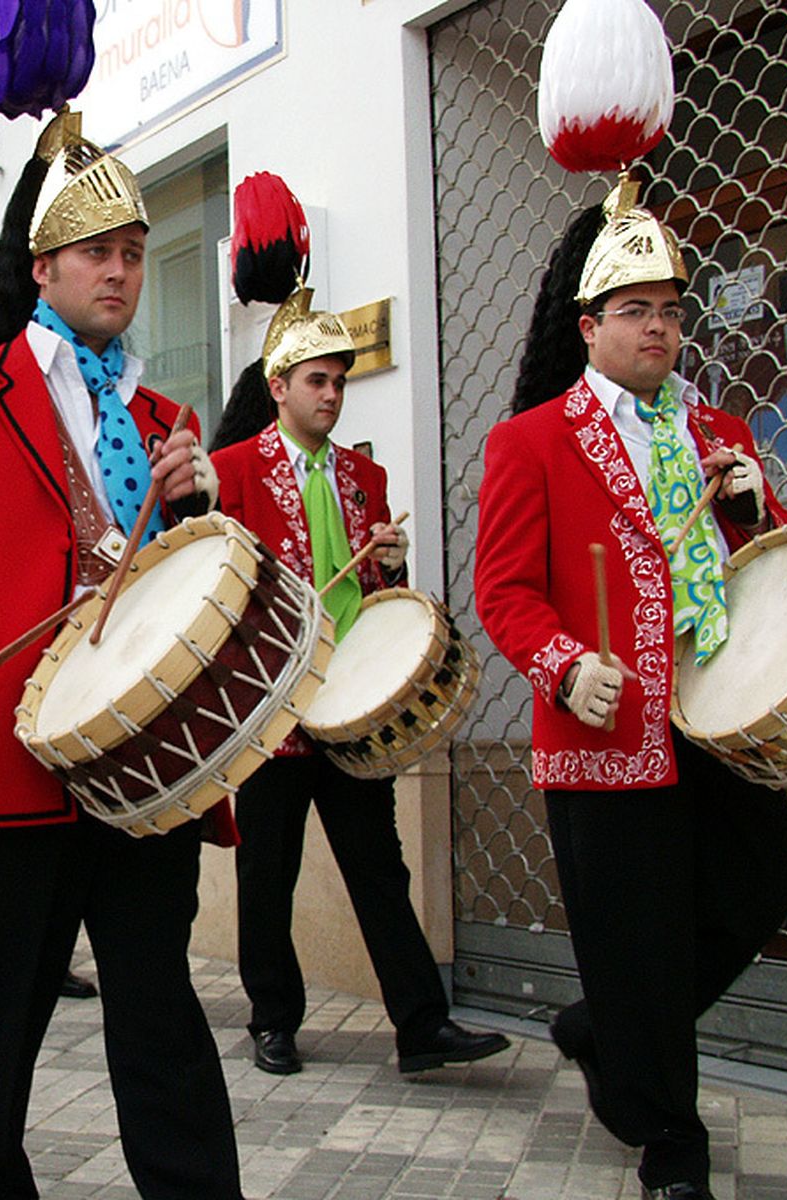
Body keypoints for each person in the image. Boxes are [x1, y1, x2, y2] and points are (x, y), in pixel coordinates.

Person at [0, 117, 241, 1200]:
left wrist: (197, 506)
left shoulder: (167, 418)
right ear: (43, 269)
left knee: (158, 1005)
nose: (117, 273)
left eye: (130, 253)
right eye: (94, 254)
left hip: (140, 762)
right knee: (0, 1014)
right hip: (10, 758)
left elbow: (182, 588)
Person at [474, 178, 787, 1200]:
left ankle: (604, 1027)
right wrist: (565, 665)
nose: (657, 328)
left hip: (721, 718)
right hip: (606, 728)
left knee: (759, 891)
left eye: (669, 310)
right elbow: (503, 589)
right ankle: (670, 1138)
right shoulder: (530, 441)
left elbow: (769, 562)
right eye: (634, 311)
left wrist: (756, 508)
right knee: (638, 934)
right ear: (589, 327)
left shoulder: (723, 431)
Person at [210, 289, 510, 1077]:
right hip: (276, 710)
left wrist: (392, 560)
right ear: (279, 387)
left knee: (381, 868)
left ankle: (421, 1025)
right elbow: (211, 581)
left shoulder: (364, 474)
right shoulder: (232, 470)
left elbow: (375, 594)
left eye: (339, 382)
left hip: (351, 706)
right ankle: (273, 1016)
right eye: (317, 381)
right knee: (265, 871)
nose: (332, 394)